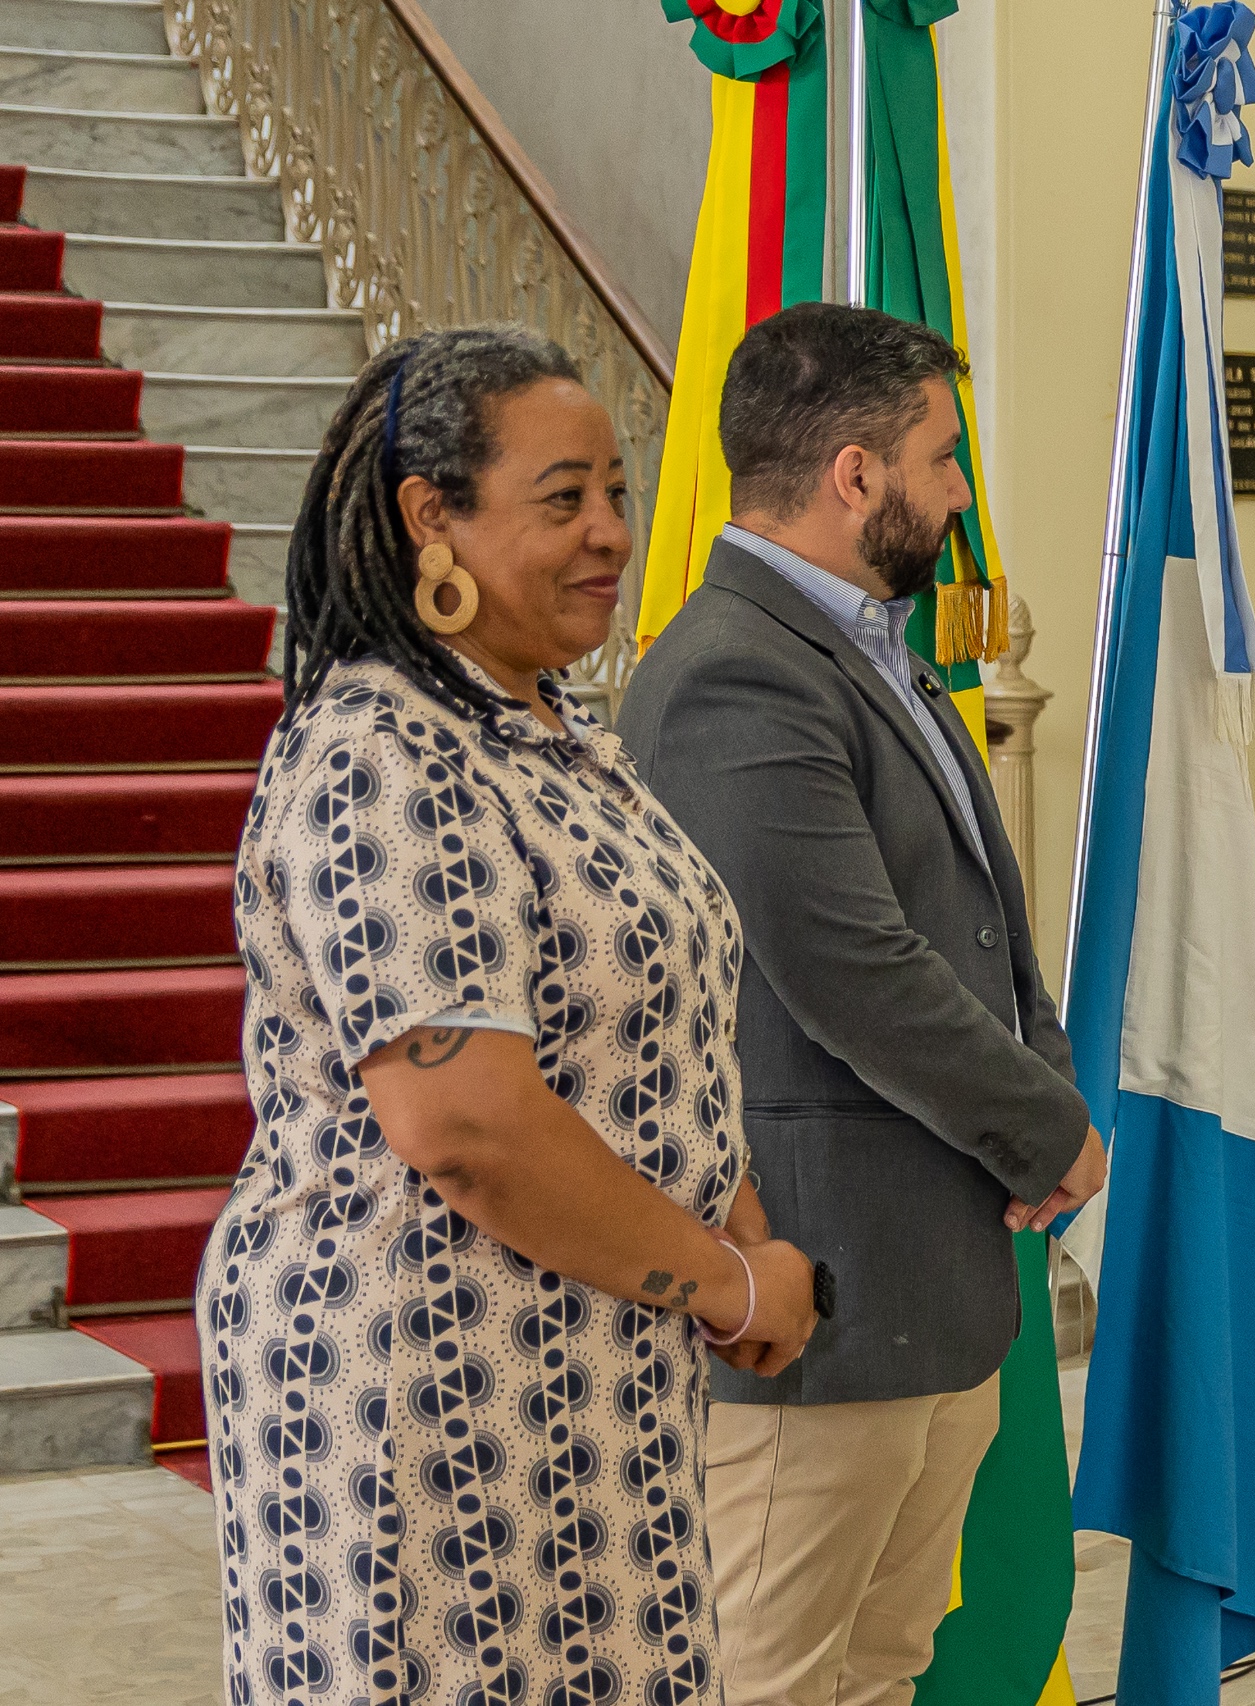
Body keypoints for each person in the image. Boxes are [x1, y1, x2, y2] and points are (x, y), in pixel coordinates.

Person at [199, 325, 820, 1706]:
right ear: (434, 517)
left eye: (616, 487)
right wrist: (725, 1281)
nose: (612, 530)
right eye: (563, 498)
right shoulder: (380, 752)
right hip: (422, 1400)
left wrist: (742, 1224)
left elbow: (645, 1031)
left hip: (594, 1377)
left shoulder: (545, 730)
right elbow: (466, 1122)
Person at [620, 303, 1106, 1706]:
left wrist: (1040, 1085)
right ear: (854, 474)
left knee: (880, 1671)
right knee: (770, 1680)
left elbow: (983, 933)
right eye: (942, 460)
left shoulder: (876, 648)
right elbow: (852, 967)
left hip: (929, 1281)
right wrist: (1044, 1129)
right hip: (816, 1300)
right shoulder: (731, 672)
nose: (959, 496)